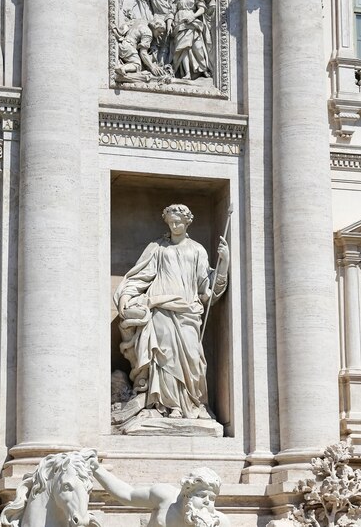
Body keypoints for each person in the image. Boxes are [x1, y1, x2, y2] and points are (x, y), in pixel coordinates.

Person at [114, 204, 229, 420]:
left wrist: (224, 263)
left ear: (187, 222)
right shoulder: (157, 248)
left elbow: (208, 289)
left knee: (193, 358)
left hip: (188, 311)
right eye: (171, 222)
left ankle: (193, 402)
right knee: (164, 356)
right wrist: (126, 295)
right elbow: (141, 276)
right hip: (160, 308)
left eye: (178, 222)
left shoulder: (197, 250)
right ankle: (167, 405)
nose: (174, 225)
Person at [89, 454, 230, 527]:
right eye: (201, 495)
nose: (207, 502)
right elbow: (127, 495)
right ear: (187, 493)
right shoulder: (165, 498)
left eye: (212, 499)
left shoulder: (220, 522)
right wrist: (96, 468)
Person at [171, 0, 209, 79]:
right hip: (179, 24)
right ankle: (187, 73)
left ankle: (203, 68)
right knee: (184, 48)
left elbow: (202, 9)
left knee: (198, 47)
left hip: (192, 23)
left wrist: (193, 16)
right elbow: (172, 11)